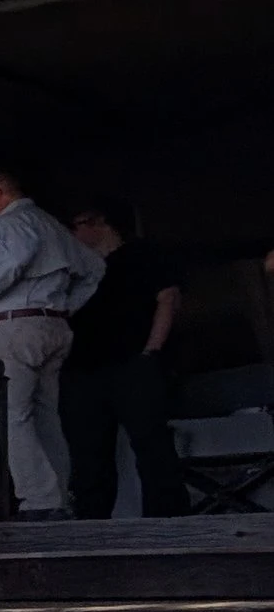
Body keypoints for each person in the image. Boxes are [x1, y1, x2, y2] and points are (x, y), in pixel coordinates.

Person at [0, 164, 104, 522]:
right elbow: (94, 268)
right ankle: (58, 496)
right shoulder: (50, 224)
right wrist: (65, 307)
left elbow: (14, 257)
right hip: (52, 326)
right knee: (45, 416)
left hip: (15, 327)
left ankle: (39, 500)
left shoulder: (11, 224)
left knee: (12, 414)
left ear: (0, 191)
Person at [63, 203, 189, 519]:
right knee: (87, 452)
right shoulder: (76, 269)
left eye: (76, 226)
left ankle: (167, 522)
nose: (72, 235)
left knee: (151, 444)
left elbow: (168, 298)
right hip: (83, 368)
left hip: (133, 362)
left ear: (98, 222)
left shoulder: (141, 254)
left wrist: (151, 351)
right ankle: (91, 526)